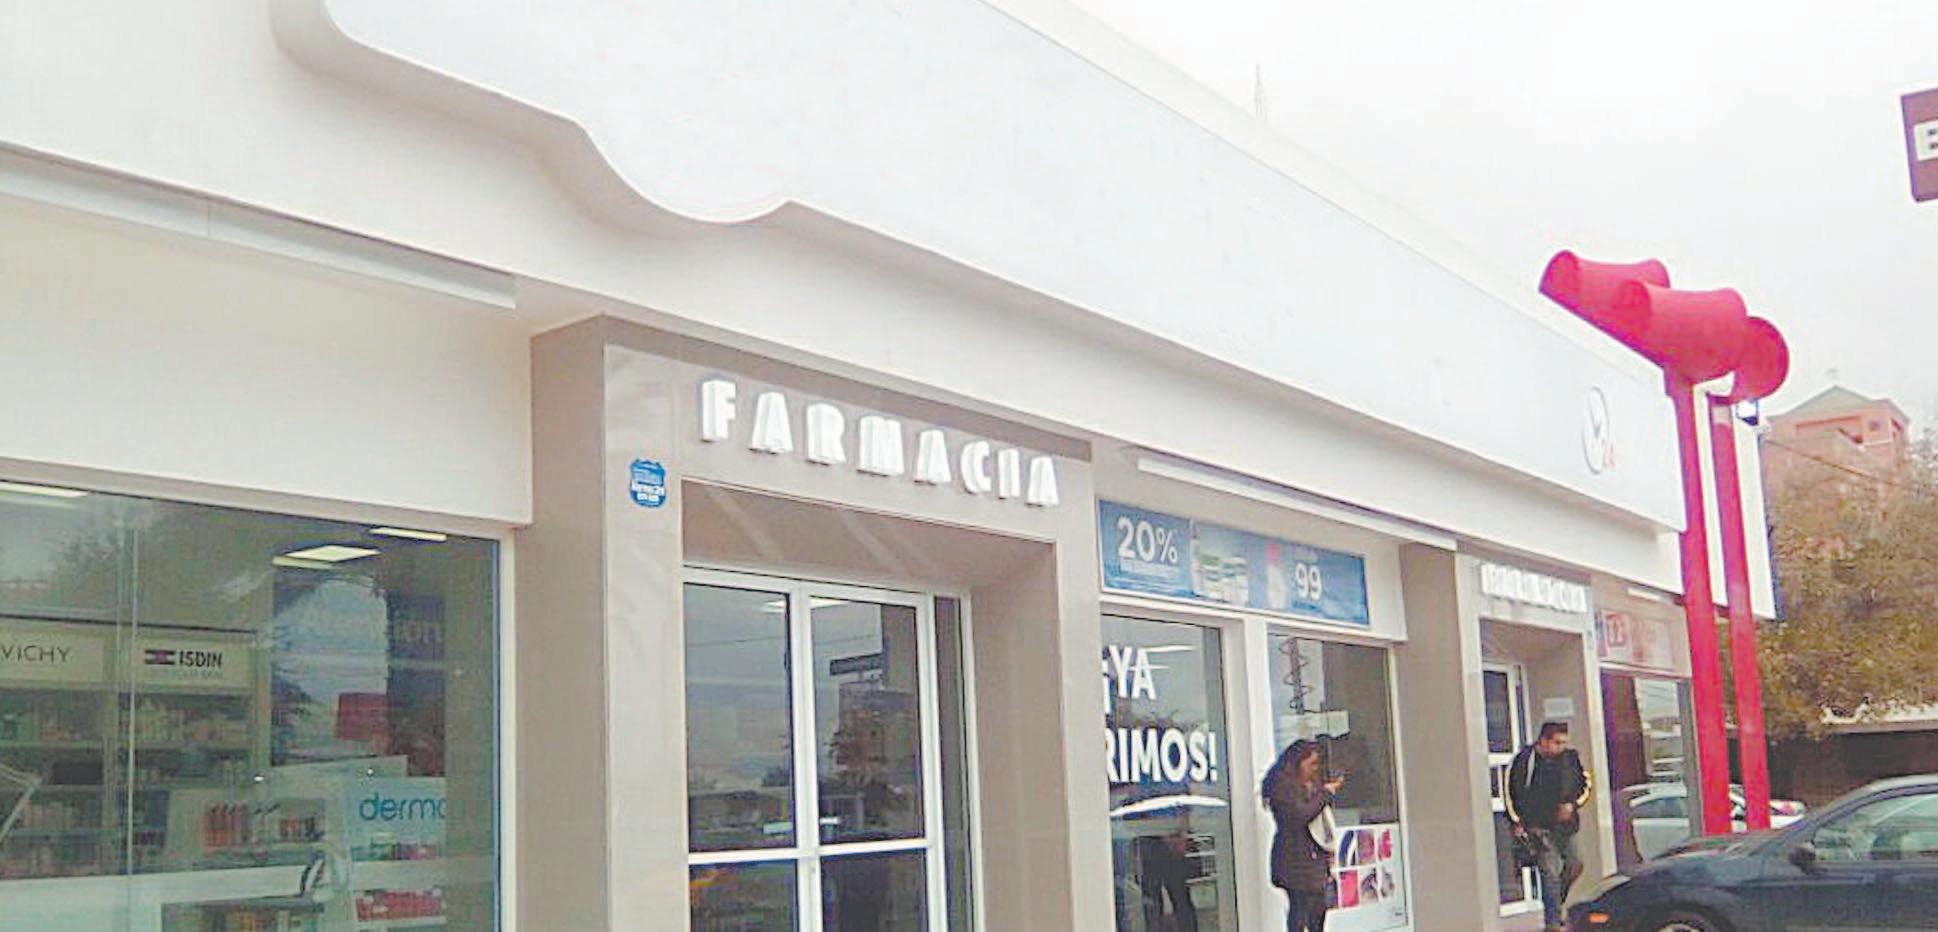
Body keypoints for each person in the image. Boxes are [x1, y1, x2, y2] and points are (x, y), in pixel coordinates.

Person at [1506, 721, 1593, 932]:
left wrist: (1572, 804)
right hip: (1538, 827)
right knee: (1550, 873)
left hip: (1566, 826)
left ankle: (1556, 901)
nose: (1561, 747)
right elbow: (1511, 792)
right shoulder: (1525, 760)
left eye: (1564, 742)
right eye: (1557, 742)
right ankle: (1552, 922)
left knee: (1575, 864)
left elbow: (1585, 785)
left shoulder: (1570, 759)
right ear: (1543, 741)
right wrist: (1518, 822)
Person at [1264, 740, 1343, 932]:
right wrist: (1325, 794)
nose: (1314, 769)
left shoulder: (1308, 784)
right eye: (1311, 764)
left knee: (1317, 912)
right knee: (1300, 912)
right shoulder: (1283, 787)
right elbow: (1301, 816)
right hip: (1295, 861)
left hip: (1313, 860)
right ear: (1298, 763)